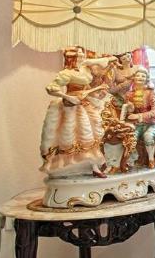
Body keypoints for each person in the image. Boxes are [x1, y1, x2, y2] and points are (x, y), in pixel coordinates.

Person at [40, 48, 110, 178]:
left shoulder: (85, 70)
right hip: (71, 105)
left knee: (93, 131)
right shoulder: (66, 73)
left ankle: (93, 165)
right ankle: (67, 166)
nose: (82, 59)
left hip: (85, 102)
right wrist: (67, 97)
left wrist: (97, 93)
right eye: (79, 57)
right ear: (71, 59)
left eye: (83, 56)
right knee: (73, 134)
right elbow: (51, 88)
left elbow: (107, 62)